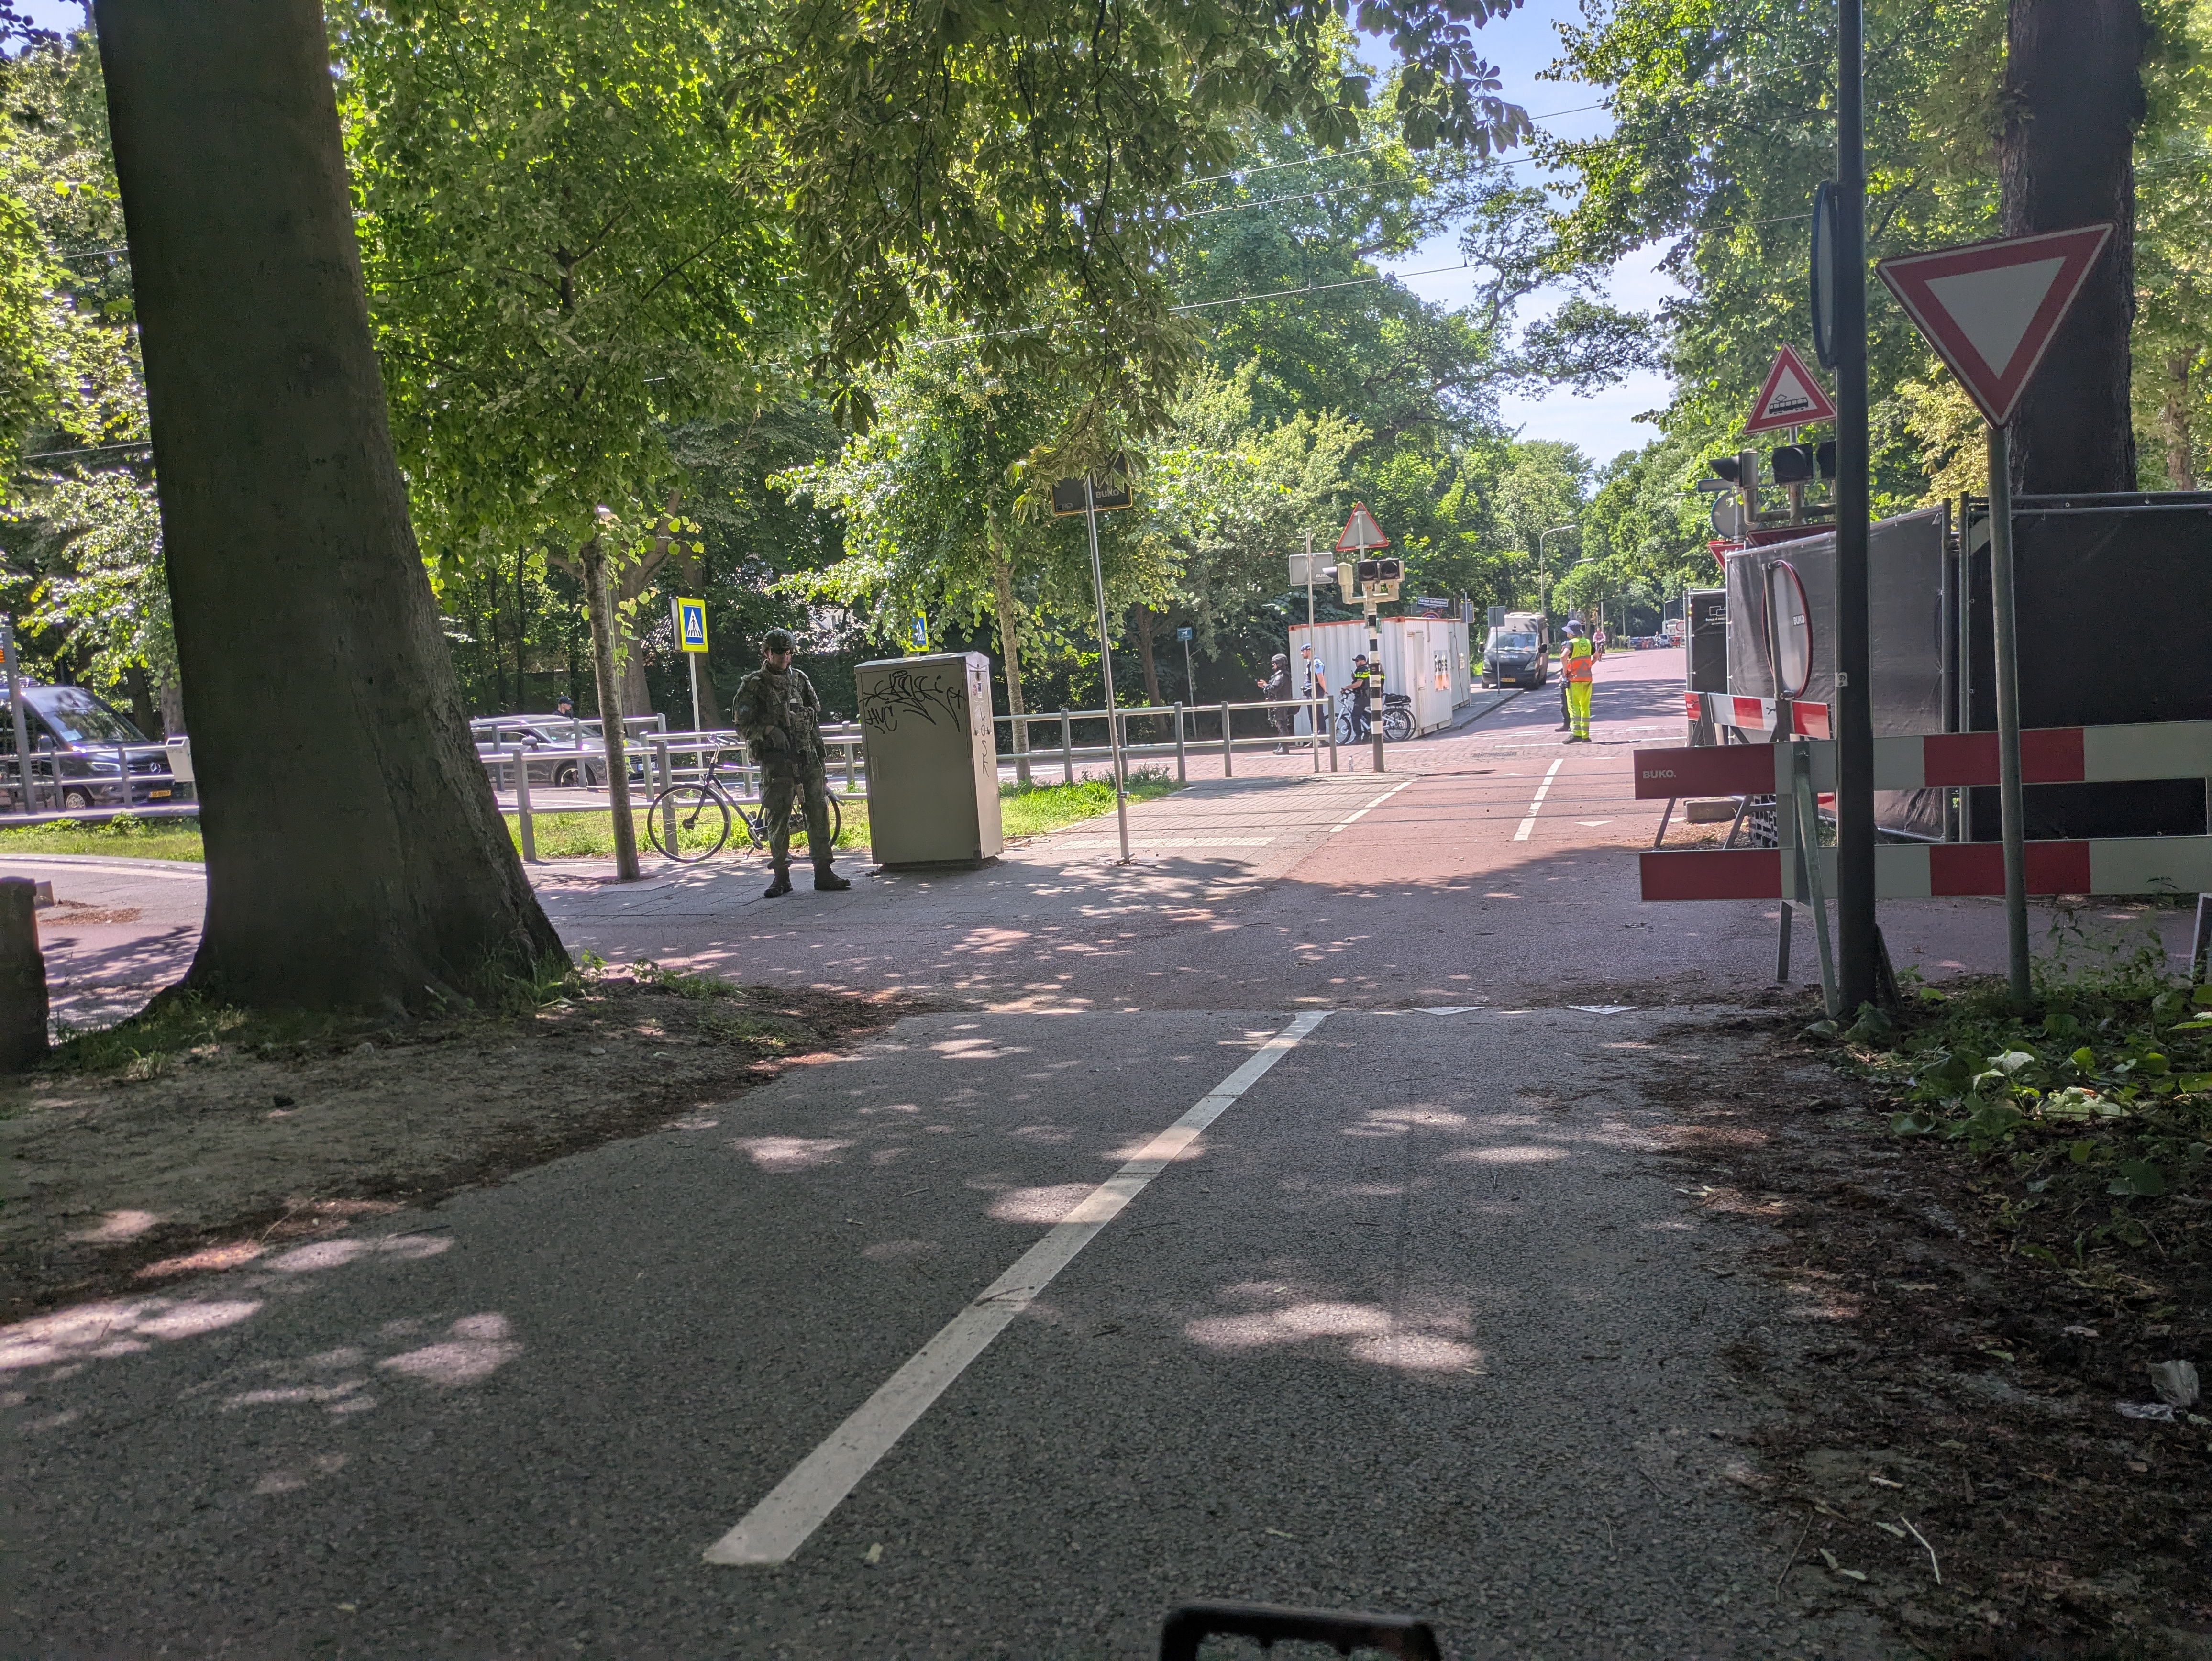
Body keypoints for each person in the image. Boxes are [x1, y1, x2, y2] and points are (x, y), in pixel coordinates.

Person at [732, 628, 851, 898]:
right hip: (777, 763)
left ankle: (823, 871)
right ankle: (781, 876)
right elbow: (742, 725)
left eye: (789, 651)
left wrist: (822, 759)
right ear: (766, 653)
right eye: (778, 651)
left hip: (807, 756)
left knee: (818, 812)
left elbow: (814, 723)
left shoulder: (800, 680)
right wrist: (767, 730)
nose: (784, 657)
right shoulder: (754, 685)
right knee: (779, 816)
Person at [1559, 620, 1596, 744]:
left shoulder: (1571, 644)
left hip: (1574, 679)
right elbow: (1596, 656)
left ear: (1571, 633)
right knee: (1585, 706)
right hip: (1587, 678)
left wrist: (1566, 672)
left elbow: (1563, 657)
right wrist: (1588, 666)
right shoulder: (1587, 642)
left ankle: (1576, 734)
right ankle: (1586, 736)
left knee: (1574, 706)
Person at [1259, 653, 1294, 753]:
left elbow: (1274, 689)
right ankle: (1281, 745)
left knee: (1281, 724)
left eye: (1274, 663)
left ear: (1279, 663)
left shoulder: (1281, 676)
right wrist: (1266, 686)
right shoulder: (1280, 675)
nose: (1273, 665)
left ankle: (1284, 747)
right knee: (1279, 724)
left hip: (1281, 703)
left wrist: (1265, 685)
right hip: (1279, 703)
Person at [1348, 653, 1373, 741]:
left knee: (1355, 716)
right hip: (1366, 697)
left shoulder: (1362, 670)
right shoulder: (1363, 670)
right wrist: (1354, 678)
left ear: (1363, 661)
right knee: (1366, 717)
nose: (1356, 662)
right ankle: (1367, 737)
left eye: (1357, 661)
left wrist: (1346, 687)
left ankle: (1358, 737)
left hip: (1362, 697)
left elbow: (1359, 684)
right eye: (1355, 661)